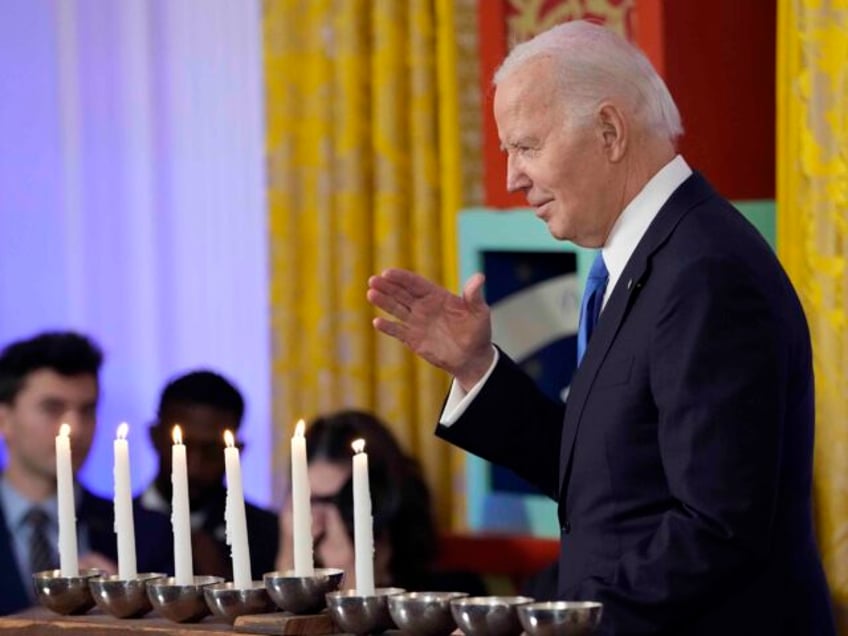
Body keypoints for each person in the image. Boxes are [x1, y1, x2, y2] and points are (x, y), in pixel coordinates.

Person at [366, 20, 835, 636]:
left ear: (609, 131)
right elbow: (612, 477)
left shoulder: (707, 271)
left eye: (527, 147)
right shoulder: (650, 257)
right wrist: (477, 368)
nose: (512, 178)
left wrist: (563, 626)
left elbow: (715, 525)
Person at [0, 331, 173, 615]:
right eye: (52, 408)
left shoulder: (146, 533)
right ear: (4, 418)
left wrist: (124, 602)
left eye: (87, 410)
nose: (76, 429)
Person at [276, 409, 486, 595]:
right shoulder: (269, 555)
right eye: (311, 502)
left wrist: (353, 581)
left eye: (343, 502)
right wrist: (290, 578)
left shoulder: (453, 592)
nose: (324, 521)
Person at [142, 369, 278, 581]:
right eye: (182, 447)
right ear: (154, 437)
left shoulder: (268, 535)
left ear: (237, 451)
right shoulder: (104, 526)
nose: (194, 467)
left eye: (212, 451)